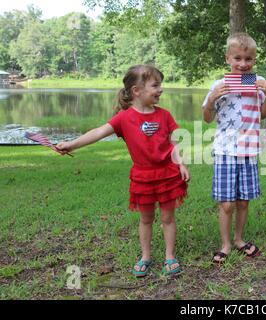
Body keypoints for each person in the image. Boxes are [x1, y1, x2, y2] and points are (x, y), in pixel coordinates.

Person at [56, 65, 189, 276]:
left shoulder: (164, 115)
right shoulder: (124, 118)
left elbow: (175, 141)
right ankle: (145, 256)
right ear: (137, 90)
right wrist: (71, 144)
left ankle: (169, 256)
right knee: (146, 219)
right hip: (143, 177)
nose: (160, 89)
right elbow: (99, 132)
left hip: (167, 174)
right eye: (155, 85)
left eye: (160, 85)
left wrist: (181, 163)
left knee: (167, 218)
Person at [202, 32, 266, 263]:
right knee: (226, 203)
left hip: (249, 151)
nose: (243, 64)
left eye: (248, 59)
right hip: (225, 151)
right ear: (228, 59)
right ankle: (225, 244)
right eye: (238, 58)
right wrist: (212, 98)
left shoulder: (259, 82)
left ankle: (239, 239)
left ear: (254, 60)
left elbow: (263, 115)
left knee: (243, 201)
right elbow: (207, 118)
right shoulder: (218, 85)